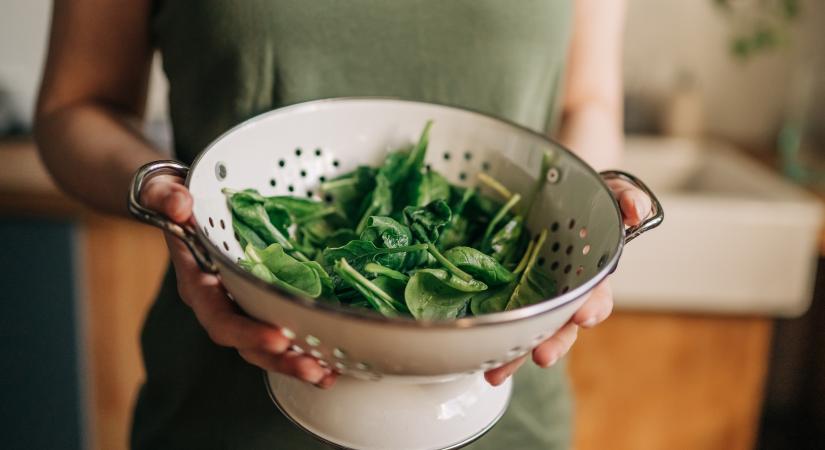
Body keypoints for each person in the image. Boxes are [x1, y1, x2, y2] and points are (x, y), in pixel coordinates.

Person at [35, 1, 649, 448]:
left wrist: (585, 198)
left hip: (502, 402)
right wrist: (164, 193)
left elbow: (586, 100)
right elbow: (75, 107)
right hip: (222, 406)